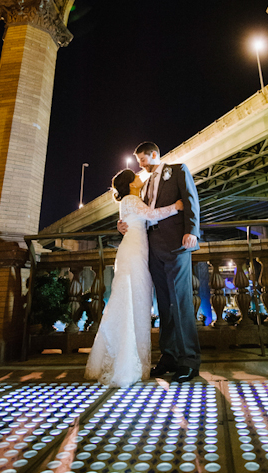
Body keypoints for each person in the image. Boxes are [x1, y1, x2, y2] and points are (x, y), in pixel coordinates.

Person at [85, 168, 183, 388]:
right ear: (130, 183)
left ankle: (127, 358)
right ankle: (129, 362)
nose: (140, 177)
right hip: (133, 254)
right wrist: (176, 207)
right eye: (136, 176)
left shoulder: (130, 201)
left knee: (131, 303)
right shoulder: (130, 198)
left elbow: (140, 219)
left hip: (135, 251)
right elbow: (151, 215)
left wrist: (121, 226)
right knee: (133, 303)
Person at [119, 142, 201, 384]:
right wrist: (122, 224)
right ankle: (169, 357)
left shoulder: (177, 171)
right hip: (152, 249)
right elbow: (139, 213)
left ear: (154, 154)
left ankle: (189, 360)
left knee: (181, 302)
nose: (140, 166)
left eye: (142, 160)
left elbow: (191, 200)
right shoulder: (142, 188)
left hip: (176, 244)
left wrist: (192, 231)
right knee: (164, 304)